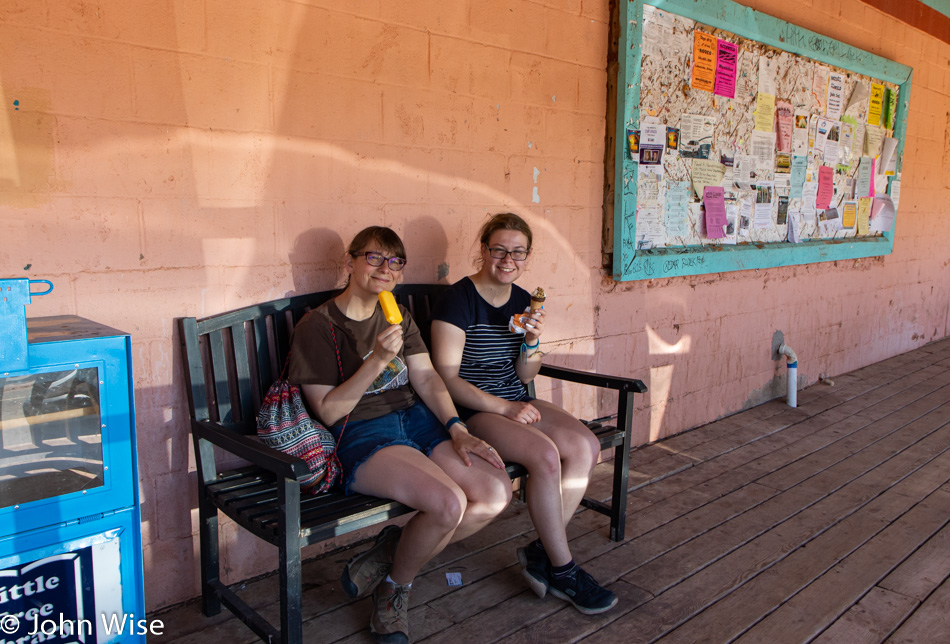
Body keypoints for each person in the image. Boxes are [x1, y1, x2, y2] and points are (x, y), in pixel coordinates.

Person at [289, 226, 511, 644]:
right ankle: (395, 587)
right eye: (373, 258)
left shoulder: (399, 316)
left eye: (395, 262)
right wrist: (376, 361)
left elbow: (426, 377)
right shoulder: (316, 327)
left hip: (417, 420)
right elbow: (331, 412)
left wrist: (457, 428)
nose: (384, 269)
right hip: (361, 433)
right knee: (448, 505)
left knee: (496, 492)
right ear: (350, 262)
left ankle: (394, 548)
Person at [430, 212, 618, 615]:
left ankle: (542, 552)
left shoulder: (521, 301)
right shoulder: (458, 300)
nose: (507, 259)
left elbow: (525, 372)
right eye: (499, 249)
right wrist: (505, 407)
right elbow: (446, 378)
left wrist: (532, 340)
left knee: (585, 446)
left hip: (515, 400)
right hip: (473, 409)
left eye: (518, 252)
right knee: (547, 457)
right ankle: (563, 569)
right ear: (483, 250)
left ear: (527, 256)